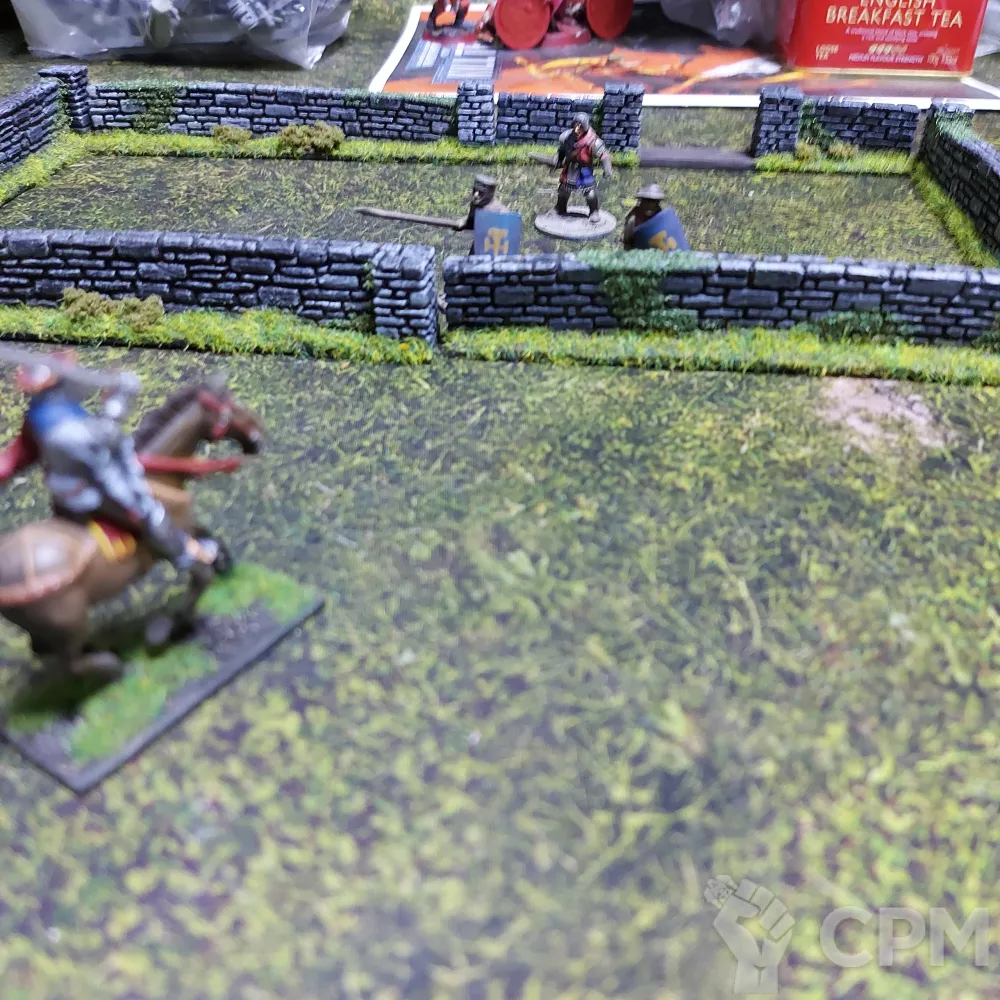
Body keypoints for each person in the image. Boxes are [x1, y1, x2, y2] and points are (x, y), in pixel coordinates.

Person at [0, 351, 217, 571]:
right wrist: (119, 402)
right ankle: (184, 556)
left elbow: (16, 459)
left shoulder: (46, 414)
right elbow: (104, 438)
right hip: (88, 491)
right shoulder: (56, 425)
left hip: (70, 488)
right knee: (150, 514)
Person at [555, 112, 612, 222]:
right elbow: (562, 150)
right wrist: (559, 160)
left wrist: (607, 169)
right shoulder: (566, 137)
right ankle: (560, 208)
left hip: (584, 169)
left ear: (585, 126)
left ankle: (594, 211)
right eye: (576, 124)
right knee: (563, 190)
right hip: (570, 168)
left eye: (580, 126)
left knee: (589, 193)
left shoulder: (594, 141)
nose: (577, 128)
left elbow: (604, 155)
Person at [622, 183, 666, 250]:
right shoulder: (633, 219)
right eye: (647, 201)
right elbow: (627, 243)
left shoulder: (661, 218)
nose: (650, 205)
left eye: (653, 202)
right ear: (641, 201)